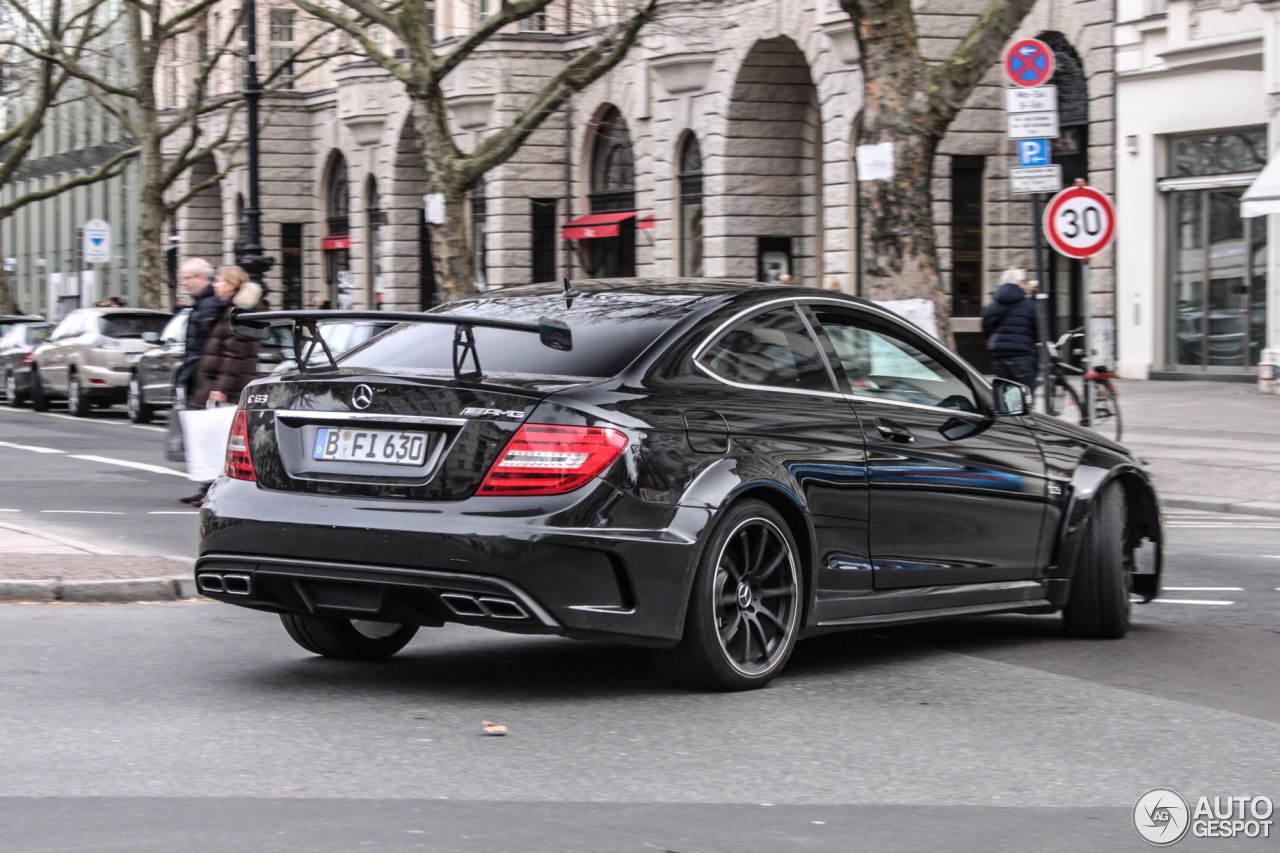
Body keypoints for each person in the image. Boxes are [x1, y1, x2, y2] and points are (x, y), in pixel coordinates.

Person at [181, 266, 262, 506]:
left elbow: (236, 352)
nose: (214, 284)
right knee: (214, 437)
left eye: (219, 280)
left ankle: (217, 489)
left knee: (223, 439)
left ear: (232, 284)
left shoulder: (238, 311)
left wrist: (223, 386)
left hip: (228, 385)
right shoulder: (227, 308)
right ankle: (207, 486)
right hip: (217, 381)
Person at [981, 268, 1040, 394]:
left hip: (998, 353)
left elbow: (986, 328)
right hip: (1022, 353)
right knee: (1025, 393)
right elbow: (1037, 328)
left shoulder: (991, 304)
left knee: (1004, 392)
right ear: (1019, 283)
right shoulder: (1029, 304)